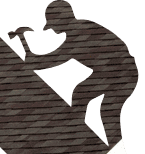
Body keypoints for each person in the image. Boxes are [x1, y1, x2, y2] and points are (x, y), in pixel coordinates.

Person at [8, 0, 138, 141]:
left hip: (121, 73)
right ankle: (81, 130)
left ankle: (85, 135)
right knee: (88, 99)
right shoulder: (80, 27)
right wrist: (27, 49)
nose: (52, 29)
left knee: (102, 108)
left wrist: (27, 49)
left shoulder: (79, 33)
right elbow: (49, 60)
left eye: (53, 24)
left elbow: (52, 61)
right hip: (115, 71)